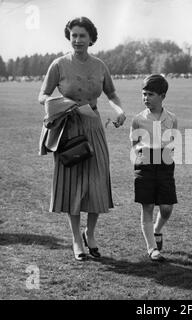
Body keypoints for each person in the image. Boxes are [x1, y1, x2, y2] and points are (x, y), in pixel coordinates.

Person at [38, 17, 126, 261]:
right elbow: (42, 95)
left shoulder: (99, 65)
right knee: (72, 184)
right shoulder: (58, 64)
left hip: (94, 126)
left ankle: (91, 233)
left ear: (91, 39)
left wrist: (119, 110)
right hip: (68, 128)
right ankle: (76, 239)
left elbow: (112, 93)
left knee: (97, 182)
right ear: (69, 37)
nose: (77, 40)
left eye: (82, 36)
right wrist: (59, 104)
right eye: (73, 35)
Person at [130, 74, 178, 262]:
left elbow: (173, 140)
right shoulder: (138, 119)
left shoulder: (172, 118)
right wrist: (142, 156)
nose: (146, 98)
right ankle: (152, 249)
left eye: (150, 94)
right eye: (144, 94)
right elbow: (134, 143)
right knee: (147, 205)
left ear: (162, 96)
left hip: (165, 164)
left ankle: (157, 230)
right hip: (145, 165)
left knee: (166, 208)